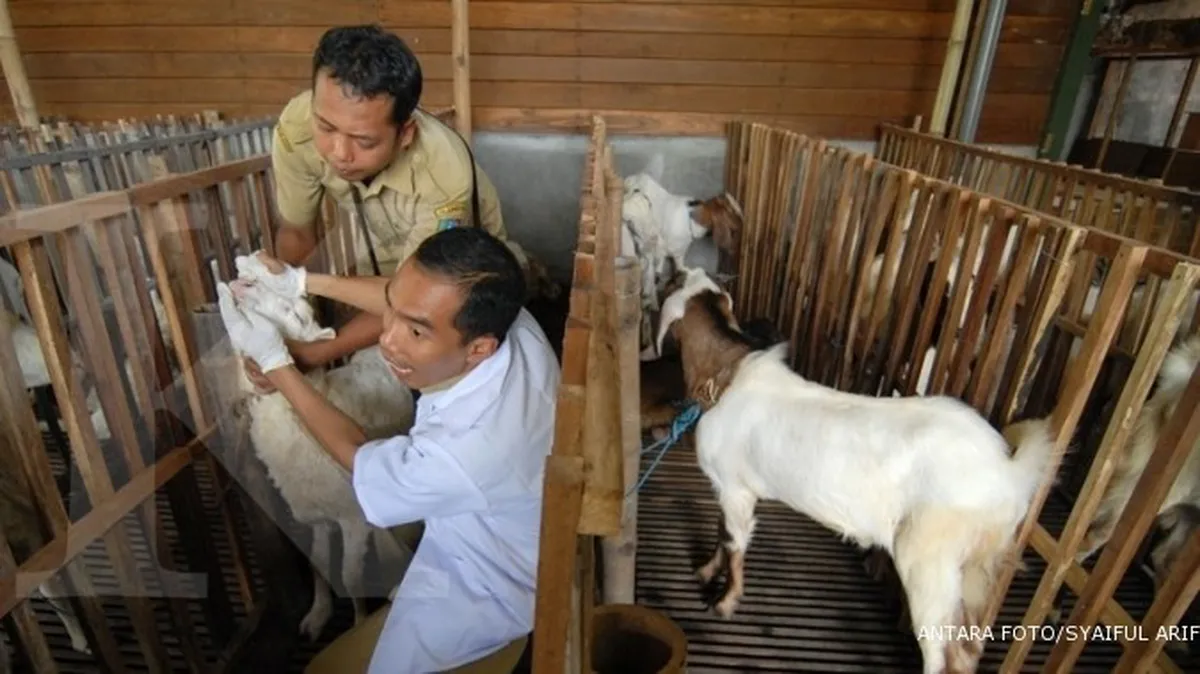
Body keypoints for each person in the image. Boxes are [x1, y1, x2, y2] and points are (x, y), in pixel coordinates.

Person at [218, 227, 560, 673]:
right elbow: (406, 299)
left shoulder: (470, 448)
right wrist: (300, 282)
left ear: (478, 348)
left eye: (415, 332)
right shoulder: (508, 319)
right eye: (392, 311)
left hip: (483, 592)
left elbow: (360, 456)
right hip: (490, 535)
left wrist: (276, 363)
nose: (388, 340)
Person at [268, 24, 512, 373]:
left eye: (364, 142)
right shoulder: (296, 128)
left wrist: (317, 352)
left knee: (442, 366)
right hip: (383, 249)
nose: (339, 154)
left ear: (405, 134)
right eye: (325, 127)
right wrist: (287, 320)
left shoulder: (443, 173)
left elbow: (418, 299)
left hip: (455, 274)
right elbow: (296, 232)